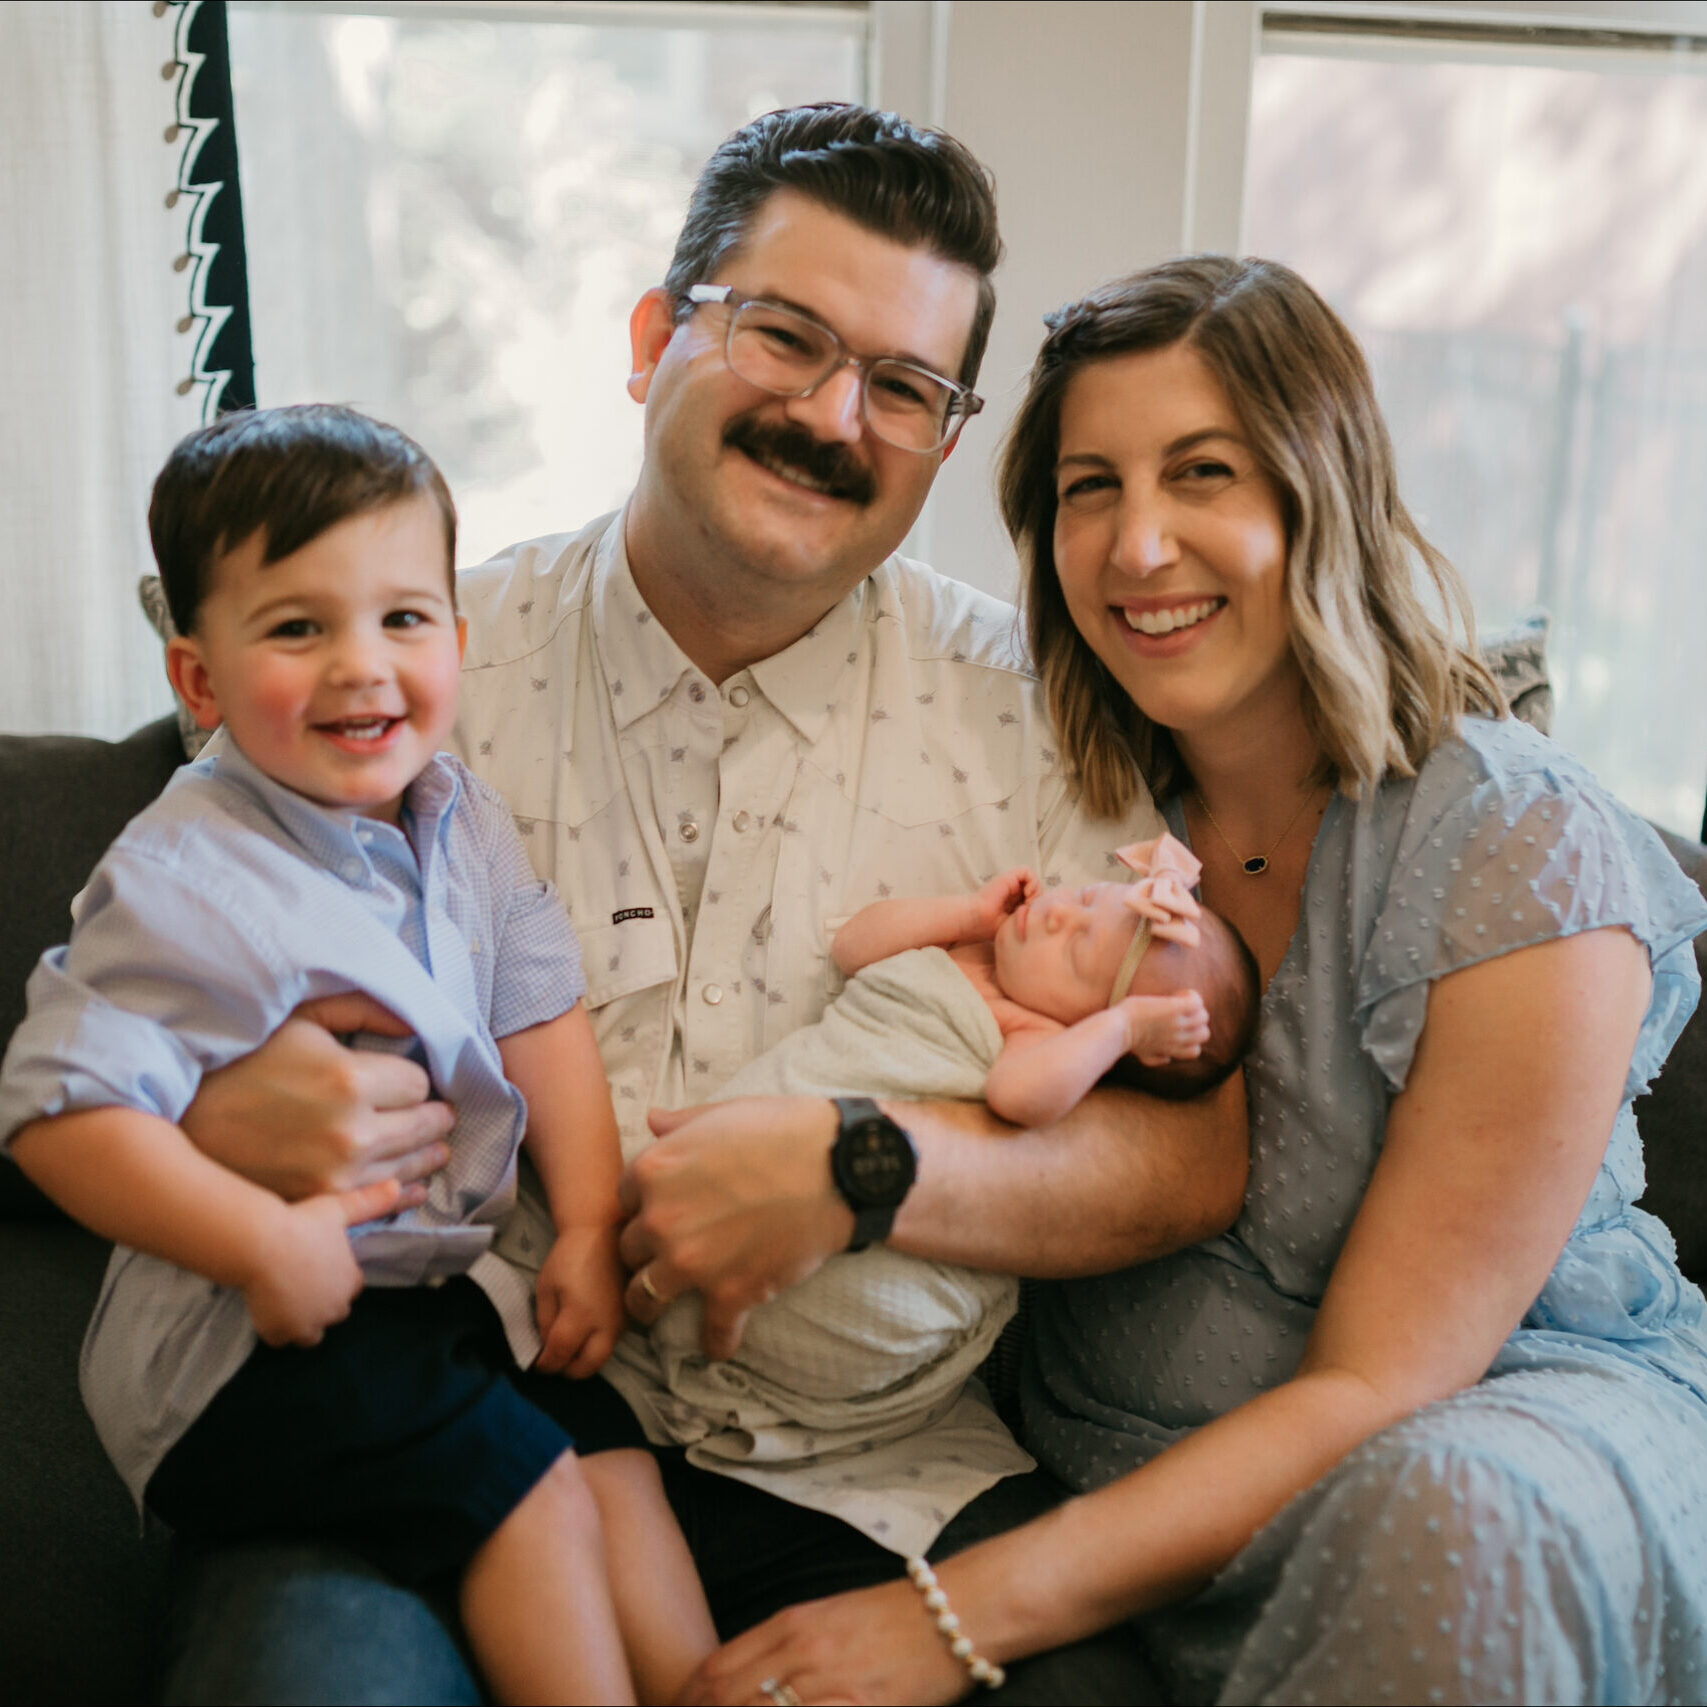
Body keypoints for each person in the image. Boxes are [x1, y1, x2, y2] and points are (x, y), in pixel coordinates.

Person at [153, 108, 1248, 1703]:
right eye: (783, 337)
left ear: (945, 441)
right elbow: (128, 996)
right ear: (650, 337)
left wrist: (863, 1169)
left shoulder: (1038, 713)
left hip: (875, 1480)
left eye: (902, 387)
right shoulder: (401, 672)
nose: (831, 416)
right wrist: (212, 1102)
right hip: (453, 1423)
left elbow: (1193, 1151)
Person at [681, 255, 1707, 1707]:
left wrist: (950, 1617)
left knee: (1449, 1516)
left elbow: (1382, 1384)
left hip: (1490, 1445)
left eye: (1201, 472)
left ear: (1318, 493)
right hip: (1101, 1462)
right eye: (1088, 488)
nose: (1138, 544)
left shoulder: (1510, 836)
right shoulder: (1057, 806)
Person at [0, 406, 717, 1705]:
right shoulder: (183, 870)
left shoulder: (459, 812)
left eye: (402, 619)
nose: (361, 667)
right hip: (238, 1349)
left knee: (606, 1451)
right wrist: (256, 1240)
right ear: (200, 682)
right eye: (297, 627)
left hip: (426, 1300)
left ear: (456, 639)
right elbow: (55, 1108)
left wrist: (583, 1225)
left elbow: (537, 1008)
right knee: (534, 1490)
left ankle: (705, 1685)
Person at [604, 834, 1258, 1554]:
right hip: (769, 1143)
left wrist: (1123, 1027)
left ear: (1093, 1038)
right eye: (1082, 899)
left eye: (1078, 952)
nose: (1057, 916)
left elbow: (1019, 1097)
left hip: (855, 1243)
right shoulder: (964, 951)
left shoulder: (1032, 1032)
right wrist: (968, 913)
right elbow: (856, 946)